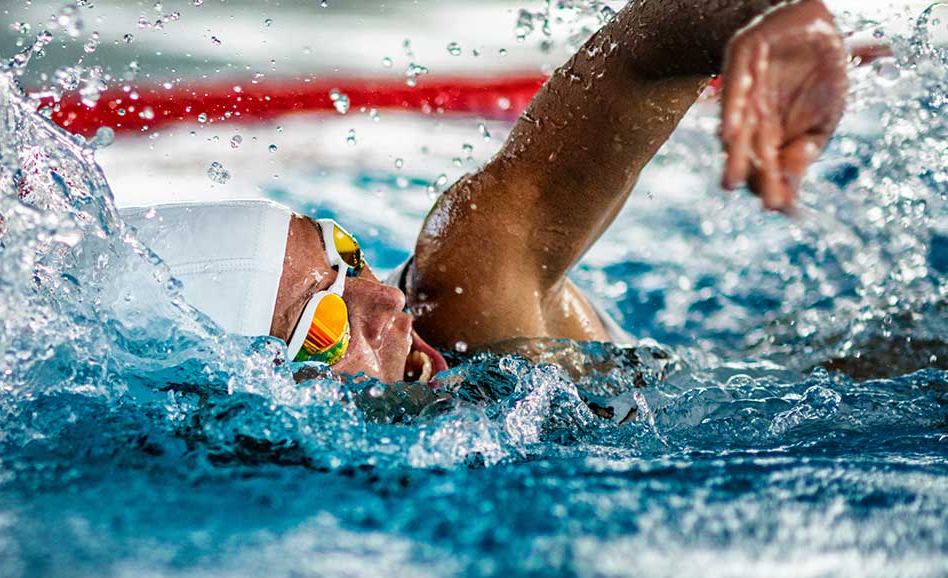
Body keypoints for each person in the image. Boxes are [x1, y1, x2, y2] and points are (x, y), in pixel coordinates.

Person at [124, 0, 850, 384]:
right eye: (324, 324)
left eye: (346, 256)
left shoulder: (467, 292)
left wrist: (762, 14)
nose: (387, 304)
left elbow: (640, 60)